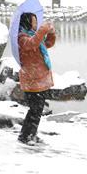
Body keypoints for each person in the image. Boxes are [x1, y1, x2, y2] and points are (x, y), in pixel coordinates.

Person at [17, 12, 56, 145]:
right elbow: (32, 44)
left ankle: (30, 134)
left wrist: (51, 32)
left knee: (37, 110)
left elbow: (47, 44)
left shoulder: (33, 36)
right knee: (34, 110)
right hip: (31, 80)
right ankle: (25, 136)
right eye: (34, 21)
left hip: (39, 79)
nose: (36, 24)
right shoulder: (22, 37)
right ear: (27, 22)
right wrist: (43, 29)